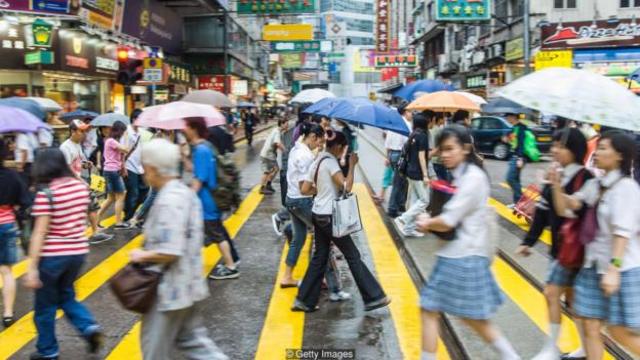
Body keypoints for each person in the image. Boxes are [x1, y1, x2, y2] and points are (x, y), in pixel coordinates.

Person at [415, 125, 519, 360]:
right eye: (442, 150)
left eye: (451, 149)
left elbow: (449, 220)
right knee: (472, 318)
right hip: (460, 254)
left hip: (461, 257)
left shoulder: (472, 178)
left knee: (432, 309)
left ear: (466, 149)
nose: (445, 154)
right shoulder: (462, 174)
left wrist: (426, 222)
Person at [131, 138, 227, 360]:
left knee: (154, 352)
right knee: (195, 344)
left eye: (145, 167)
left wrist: (141, 254)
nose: (144, 173)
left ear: (154, 169)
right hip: (188, 284)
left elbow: (170, 250)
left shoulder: (168, 200)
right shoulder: (183, 192)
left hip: (168, 290)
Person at [550, 131, 640, 359]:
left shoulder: (626, 188)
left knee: (620, 331)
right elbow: (566, 208)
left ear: (619, 155)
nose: (596, 152)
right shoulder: (597, 184)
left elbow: (623, 232)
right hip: (592, 266)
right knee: (589, 325)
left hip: (621, 268)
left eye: (603, 148)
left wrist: (613, 269)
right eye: (597, 147)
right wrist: (556, 185)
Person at [293, 130, 390, 312]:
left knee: (320, 257)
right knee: (353, 255)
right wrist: (352, 165)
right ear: (338, 146)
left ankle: (304, 300)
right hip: (330, 216)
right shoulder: (330, 162)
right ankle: (374, 297)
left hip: (318, 213)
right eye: (343, 149)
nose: (343, 153)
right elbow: (347, 186)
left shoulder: (318, 160)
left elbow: (305, 189)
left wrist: (322, 191)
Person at [516, 128, 592, 360]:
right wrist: (529, 241)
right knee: (572, 300)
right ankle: (584, 347)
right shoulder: (555, 173)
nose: (555, 150)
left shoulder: (586, 178)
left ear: (575, 150)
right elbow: (542, 212)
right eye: (554, 145)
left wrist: (556, 185)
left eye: (560, 146)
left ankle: (551, 348)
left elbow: (571, 211)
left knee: (551, 293)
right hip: (561, 250)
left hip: (578, 251)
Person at [24, 148, 103, 360]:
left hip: (52, 256)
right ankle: (88, 326)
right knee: (66, 296)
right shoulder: (79, 188)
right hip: (77, 253)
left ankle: (48, 351)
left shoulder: (46, 194)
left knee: (45, 307)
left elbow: (39, 232)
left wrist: (31, 268)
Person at [182, 117, 240, 280]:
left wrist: (187, 199)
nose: (183, 129)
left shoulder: (201, 150)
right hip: (209, 199)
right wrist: (184, 156)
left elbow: (199, 179)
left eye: (186, 126)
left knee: (216, 234)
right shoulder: (205, 147)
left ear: (193, 128)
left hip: (207, 200)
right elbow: (196, 170)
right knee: (212, 232)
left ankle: (231, 266)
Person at [281, 123, 327, 288]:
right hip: (302, 200)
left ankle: (287, 277)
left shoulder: (296, 149)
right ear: (313, 137)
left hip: (291, 199)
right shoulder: (305, 156)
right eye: (319, 142)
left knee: (298, 238)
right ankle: (319, 278)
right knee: (322, 237)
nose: (319, 145)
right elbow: (304, 188)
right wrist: (321, 189)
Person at [59, 120, 113, 244]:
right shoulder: (65, 147)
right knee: (83, 208)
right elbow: (66, 168)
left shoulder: (77, 145)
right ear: (73, 131)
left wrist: (85, 164)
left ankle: (94, 232)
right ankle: (88, 233)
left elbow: (76, 163)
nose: (84, 134)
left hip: (77, 182)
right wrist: (80, 181)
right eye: (81, 131)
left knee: (91, 206)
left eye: (85, 131)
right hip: (70, 184)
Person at [0, 138, 30, 328]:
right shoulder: (12, 176)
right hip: (8, 225)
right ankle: (8, 313)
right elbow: (25, 201)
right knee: (7, 271)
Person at [394, 112, 432, 237]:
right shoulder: (423, 136)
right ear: (425, 123)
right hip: (417, 173)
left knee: (416, 199)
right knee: (424, 201)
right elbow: (422, 156)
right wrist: (426, 175)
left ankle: (409, 229)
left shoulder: (413, 135)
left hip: (410, 170)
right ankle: (402, 219)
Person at [96, 121, 129, 229]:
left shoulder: (113, 141)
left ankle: (96, 219)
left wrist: (123, 167)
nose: (124, 133)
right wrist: (127, 138)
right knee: (121, 194)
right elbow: (126, 149)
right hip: (112, 171)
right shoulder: (111, 141)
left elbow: (121, 155)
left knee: (111, 198)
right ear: (119, 131)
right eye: (123, 131)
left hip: (111, 171)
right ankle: (118, 222)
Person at [385, 104, 412, 217]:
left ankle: (401, 205)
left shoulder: (393, 124)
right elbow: (408, 143)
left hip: (392, 155)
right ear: (405, 112)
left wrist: (387, 157)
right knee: (398, 182)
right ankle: (392, 208)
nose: (411, 114)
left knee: (401, 182)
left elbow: (387, 143)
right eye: (410, 112)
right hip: (401, 156)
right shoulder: (407, 124)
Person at [123, 110, 150, 222]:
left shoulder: (139, 132)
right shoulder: (127, 132)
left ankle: (130, 211)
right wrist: (122, 165)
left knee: (144, 190)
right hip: (129, 166)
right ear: (134, 119)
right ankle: (127, 217)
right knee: (133, 192)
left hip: (139, 167)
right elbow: (123, 150)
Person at [504, 112, 528, 206]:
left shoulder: (521, 128)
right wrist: (507, 137)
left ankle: (521, 201)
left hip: (518, 157)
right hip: (514, 156)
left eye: (508, 117)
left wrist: (520, 158)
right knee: (515, 180)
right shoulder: (514, 128)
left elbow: (521, 144)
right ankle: (517, 203)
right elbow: (511, 142)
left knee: (510, 179)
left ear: (513, 117)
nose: (506, 119)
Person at [259, 119, 287, 195]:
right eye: (286, 124)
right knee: (269, 171)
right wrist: (285, 150)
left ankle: (267, 185)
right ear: (281, 124)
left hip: (268, 154)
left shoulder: (277, 131)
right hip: (268, 155)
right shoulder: (277, 132)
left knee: (273, 170)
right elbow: (277, 143)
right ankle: (263, 187)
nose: (287, 125)